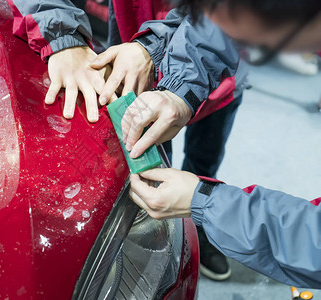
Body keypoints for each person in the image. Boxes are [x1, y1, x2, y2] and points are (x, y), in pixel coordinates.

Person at [7, 0, 249, 280]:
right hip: (134, 51)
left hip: (221, 70)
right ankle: (158, 236)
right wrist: (61, 32)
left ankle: (201, 231)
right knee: (148, 163)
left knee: (205, 159)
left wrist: (154, 47)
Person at [128, 0, 321, 288]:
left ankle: (200, 234)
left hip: (224, 96)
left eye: (247, 44)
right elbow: (218, 22)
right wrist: (178, 90)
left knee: (205, 155)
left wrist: (205, 203)